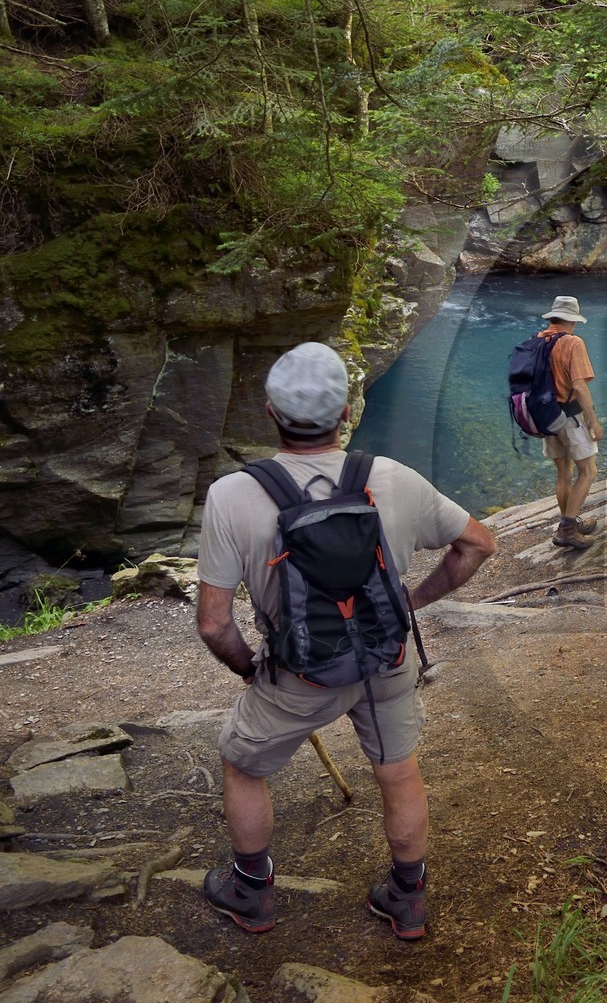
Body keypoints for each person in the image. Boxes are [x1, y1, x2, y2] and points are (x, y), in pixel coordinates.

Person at [195, 342, 497, 939]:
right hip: (386, 657)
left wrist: (248, 668)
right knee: (398, 770)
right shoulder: (394, 478)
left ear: (269, 411)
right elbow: (479, 543)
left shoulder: (231, 496)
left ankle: (251, 891)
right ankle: (407, 898)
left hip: (298, 673)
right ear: (345, 414)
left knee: (242, 764)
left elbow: (214, 622)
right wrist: (411, 602)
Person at [533, 295, 604, 549]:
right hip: (570, 417)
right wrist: (593, 421)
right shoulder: (573, 342)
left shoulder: (537, 341)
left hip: (544, 417)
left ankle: (569, 522)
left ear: (552, 317)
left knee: (564, 472)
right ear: (572, 320)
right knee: (589, 471)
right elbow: (579, 386)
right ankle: (567, 529)